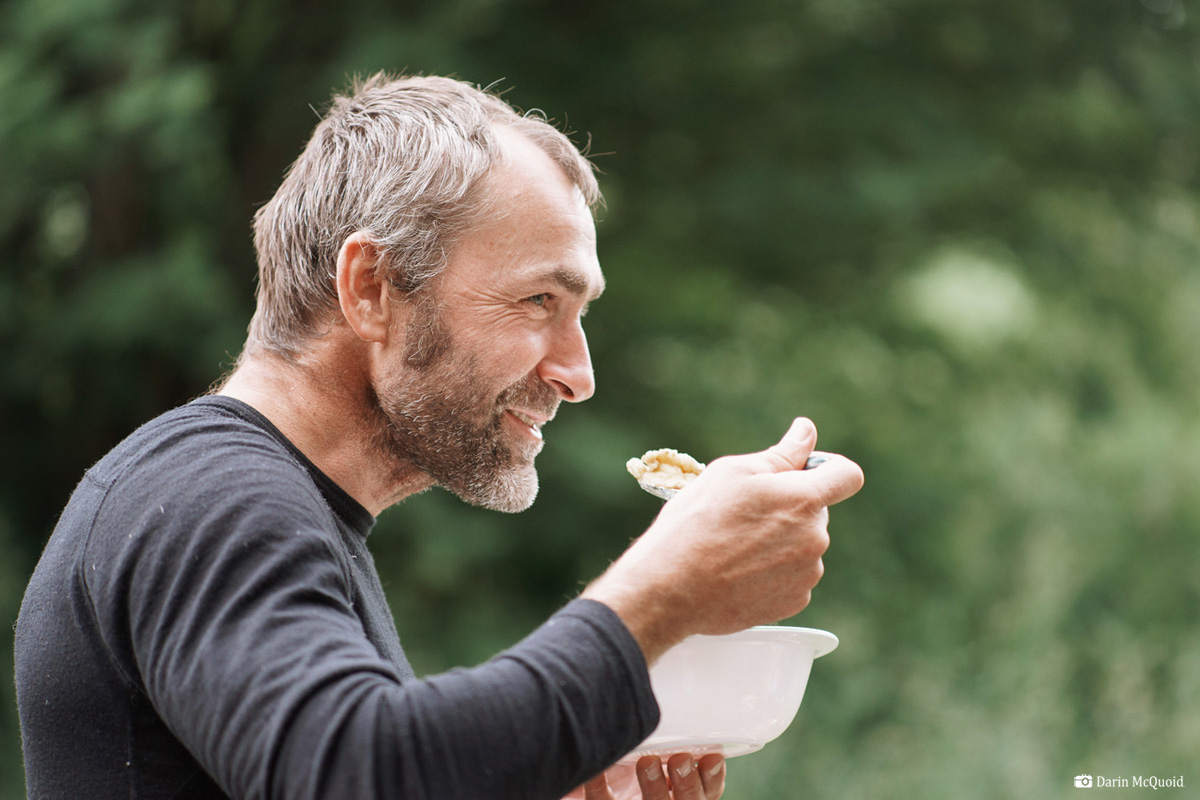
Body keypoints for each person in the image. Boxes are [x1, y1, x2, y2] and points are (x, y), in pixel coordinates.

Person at [14, 73, 864, 800]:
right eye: (540, 302)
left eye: (581, 315)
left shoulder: (270, 508)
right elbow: (361, 773)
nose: (579, 372)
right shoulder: (213, 499)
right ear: (372, 288)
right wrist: (666, 587)